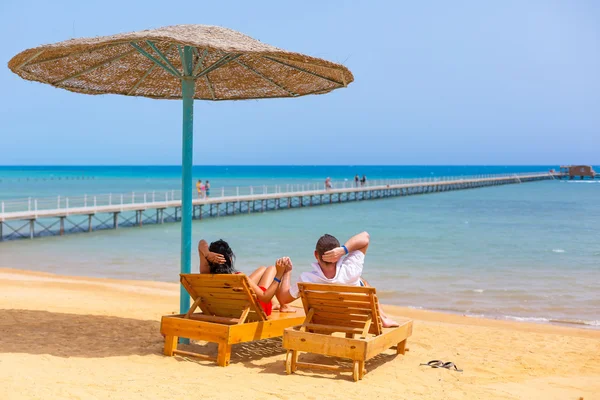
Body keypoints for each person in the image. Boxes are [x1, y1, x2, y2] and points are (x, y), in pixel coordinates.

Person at [276, 231, 399, 327]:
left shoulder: (306, 279)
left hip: (324, 321)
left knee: (362, 281)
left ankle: (383, 318)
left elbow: (283, 299)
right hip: (354, 319)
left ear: (316, 255)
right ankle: (383, 318)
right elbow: (365, 237)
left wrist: (287, 272)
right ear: (337, 254)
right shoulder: (351, 270)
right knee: (363, 282)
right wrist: (344, 250)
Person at [198, 239, 295, 314]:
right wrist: (279, 273)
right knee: (272, 269)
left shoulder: (205, 273)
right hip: (254, 309)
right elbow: (265, 298)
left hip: (228, 309)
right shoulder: (239, 277)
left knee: (262, 269)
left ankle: (276, 304)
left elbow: (201, 243)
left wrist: (207, 254)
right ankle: (283, 305)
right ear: (230, 259)